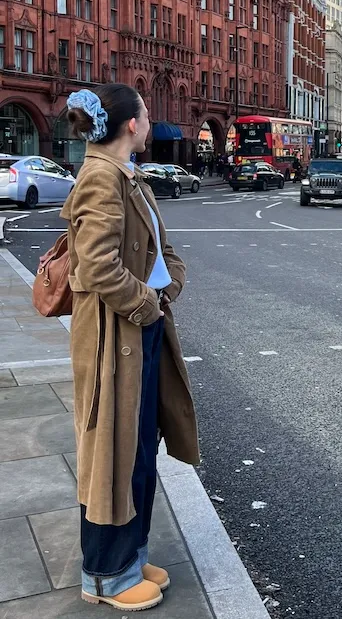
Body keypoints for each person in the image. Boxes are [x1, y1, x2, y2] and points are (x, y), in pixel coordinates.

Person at [61, 85, 199, 611]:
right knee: (111, 455)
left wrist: (171, 279)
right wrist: (146, 304)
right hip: (113, 337)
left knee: (139, 450)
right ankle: (104, 576)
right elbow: (95, 266)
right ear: (132, 126)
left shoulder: (127, 174)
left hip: (138, 332)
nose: (149, 115)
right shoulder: (100, 177)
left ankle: (131, 556)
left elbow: (156, 247)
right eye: (144, 109)